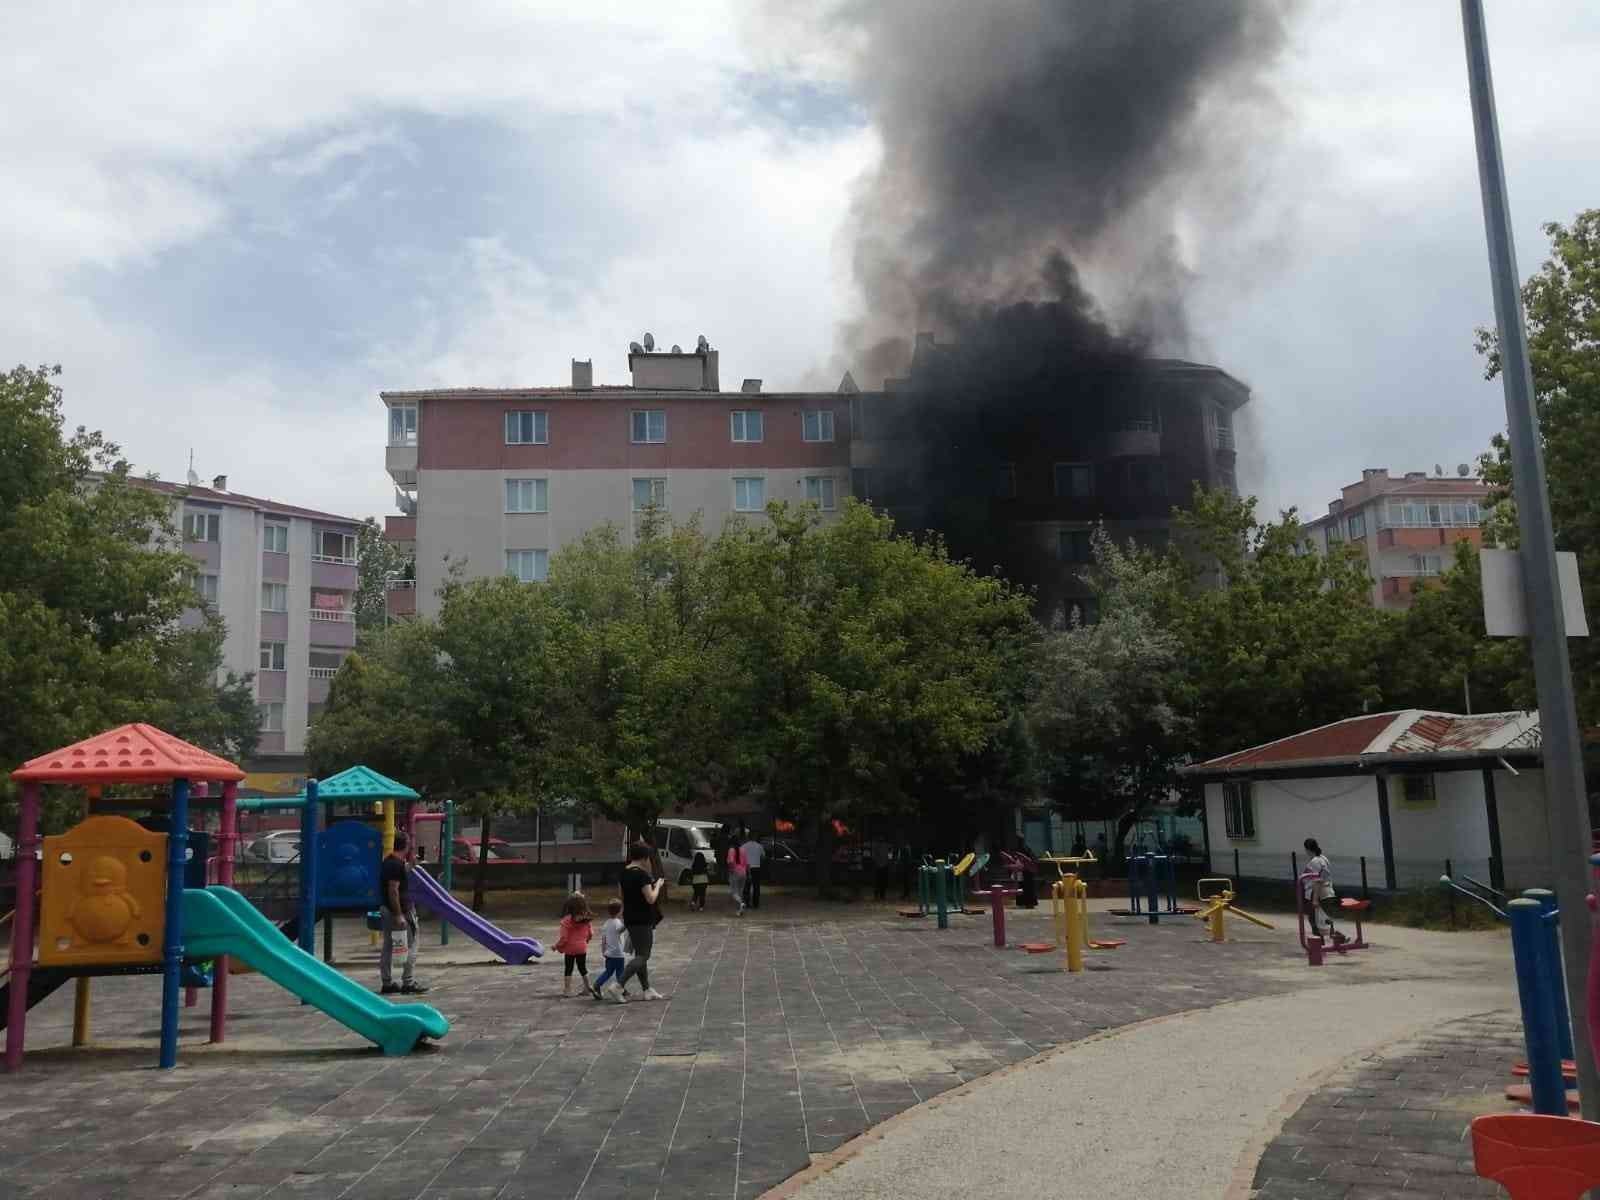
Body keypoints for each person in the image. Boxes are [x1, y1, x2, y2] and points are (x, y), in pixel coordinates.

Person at [611, 842, 665, 1002]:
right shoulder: (643, 875)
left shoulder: (623, 873)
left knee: (640, 953)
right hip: (643, 918)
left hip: (630, 917)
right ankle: (618, 985)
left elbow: (622, 896)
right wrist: (658, 886)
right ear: (645, 857)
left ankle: (647, 989)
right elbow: (651, 898)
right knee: (643, 955)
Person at [379, 831, 428, 995]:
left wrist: (411, 865)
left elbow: (398, 874)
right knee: (412, 943)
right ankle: (408, 981)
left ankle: (387, 982)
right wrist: (399, 914)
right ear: (406, 846)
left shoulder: (390, 862)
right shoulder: (395, 865)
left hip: (385, 908)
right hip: (401, 910)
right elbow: (393, 890)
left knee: (387, 946)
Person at [1302, 838, 1343, 943]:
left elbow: (1317, 881)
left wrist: (1315, 899)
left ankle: (1321, 944)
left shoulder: (1314, 862)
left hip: (1318, 893)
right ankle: (1335, 938)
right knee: (1324, 919)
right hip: (1327, 892)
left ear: (1307, 849)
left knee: (1315, 920)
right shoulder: (1323, 858)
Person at [554, 891, 594, 997]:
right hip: (582, 947)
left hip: (570, 949)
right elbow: (590, 934)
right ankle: (587, 987)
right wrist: (586, 941)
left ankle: (567, 990)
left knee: (568, 968)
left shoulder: (566, 921)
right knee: (583, 968)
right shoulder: (587, 920)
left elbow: (564, 938)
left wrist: (556, 946)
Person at [592, 898, 628, 1001]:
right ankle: (597, 985)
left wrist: (603, 950)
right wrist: (628, 923)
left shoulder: (606, 923)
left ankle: (621, 989)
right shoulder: (617, 922)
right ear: (620, 911)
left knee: (609, 971)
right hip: (618, 953)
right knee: (620, 972)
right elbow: (621, 930)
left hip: (609, 952)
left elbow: (604, 938)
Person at [741, 832, 765, 910]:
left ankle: (747, 903)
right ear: (755, 837)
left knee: (746, 886)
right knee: (756, 887)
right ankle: (756, 904)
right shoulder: (759, 846)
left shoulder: (743, 846)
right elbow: (763, 857)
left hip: (746, 868)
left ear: (748, 837)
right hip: (756, 868)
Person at [726, 838, 747, 916]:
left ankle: (741, 903)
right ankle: (739, 910)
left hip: (735, 872)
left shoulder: (731, 850)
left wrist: (731, 870)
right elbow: (746, 863)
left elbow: (731, 862)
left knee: (734, 892)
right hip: (743, 873)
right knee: (740, 892)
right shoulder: (743, 850)